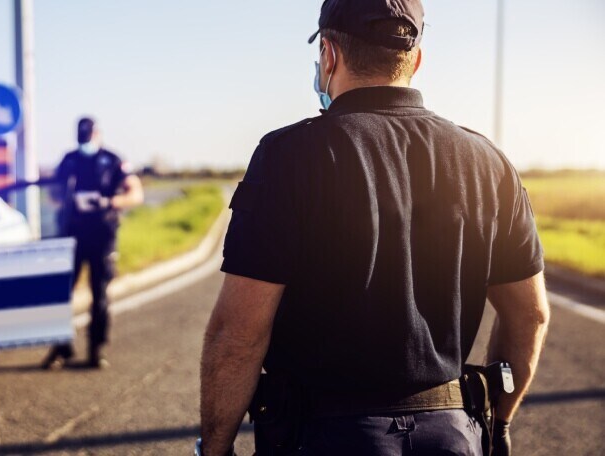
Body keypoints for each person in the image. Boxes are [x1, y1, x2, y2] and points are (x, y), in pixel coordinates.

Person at [199, 1, 550, 455]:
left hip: (322, 438)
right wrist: (498, 424)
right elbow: (530, 314)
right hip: (453, 436)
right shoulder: (488, 162)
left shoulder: (288, 155)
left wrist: (215, 448)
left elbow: (239, 332)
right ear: (416, 60)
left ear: (328, 55)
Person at [44, 117, 144, 369]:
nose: (84, 143)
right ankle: (60, 348)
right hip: (71, 234)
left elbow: (135, 193)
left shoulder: (112, 160)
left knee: (99, 293)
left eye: (87, 138)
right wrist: (68, 200)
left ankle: (95, 349)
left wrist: (108, 202)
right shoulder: (69, 160)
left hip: (102, 234)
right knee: (61, 293)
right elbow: (53, 193)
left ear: (96, 134)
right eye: (81, 139)